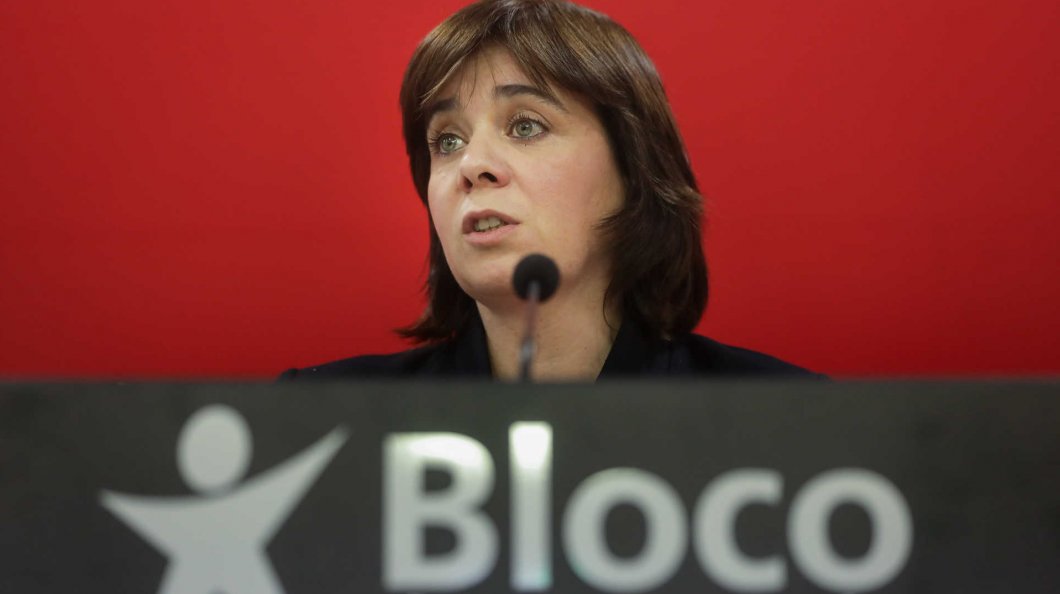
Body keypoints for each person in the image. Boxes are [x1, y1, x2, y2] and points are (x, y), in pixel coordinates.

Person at [282, 0, 818, 380]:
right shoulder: (319, 415)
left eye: (525, 126)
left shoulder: (787, 420)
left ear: (633, 169)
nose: (473, 165)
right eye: (447, 140)